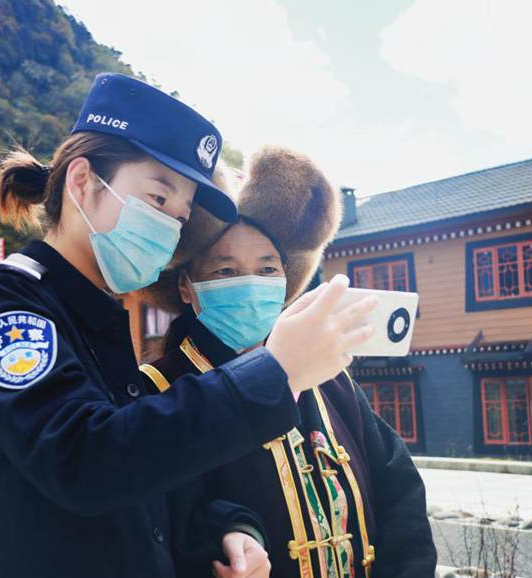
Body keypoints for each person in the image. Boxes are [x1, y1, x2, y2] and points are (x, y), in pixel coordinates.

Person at [0, 73, 379, 578]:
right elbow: (83, 461)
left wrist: (224, 529)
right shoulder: (1, 306)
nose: (169, 227)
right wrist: (274, 372)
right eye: (157, 199)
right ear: (82, 182)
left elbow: (143, 484)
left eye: (181, 215)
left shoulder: (98, 321)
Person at [139, 147, 437, 578]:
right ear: (187, 287)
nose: (250, 284)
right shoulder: (156, 389)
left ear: (286, 280)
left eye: (266, 270)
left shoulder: (330, 376)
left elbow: (400, 494)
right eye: (226, 271)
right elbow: (165, 524)